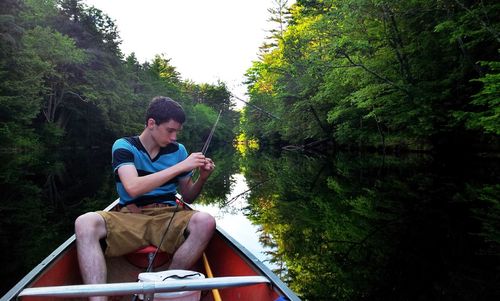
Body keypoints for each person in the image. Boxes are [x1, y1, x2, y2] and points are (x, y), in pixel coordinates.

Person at [74, 96, 216, 301]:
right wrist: (181, 166)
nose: (175, 137)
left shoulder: (179, 151)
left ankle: (168, 285)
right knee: (85, 222)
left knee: (206, 221)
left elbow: (188, 196)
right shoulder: (124, 146)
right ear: (151, 124)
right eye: (170, 130)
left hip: (168, 215)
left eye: (177, 131)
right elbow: (132, 188)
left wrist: (202, 178)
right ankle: (98, 299)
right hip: (130, 215)